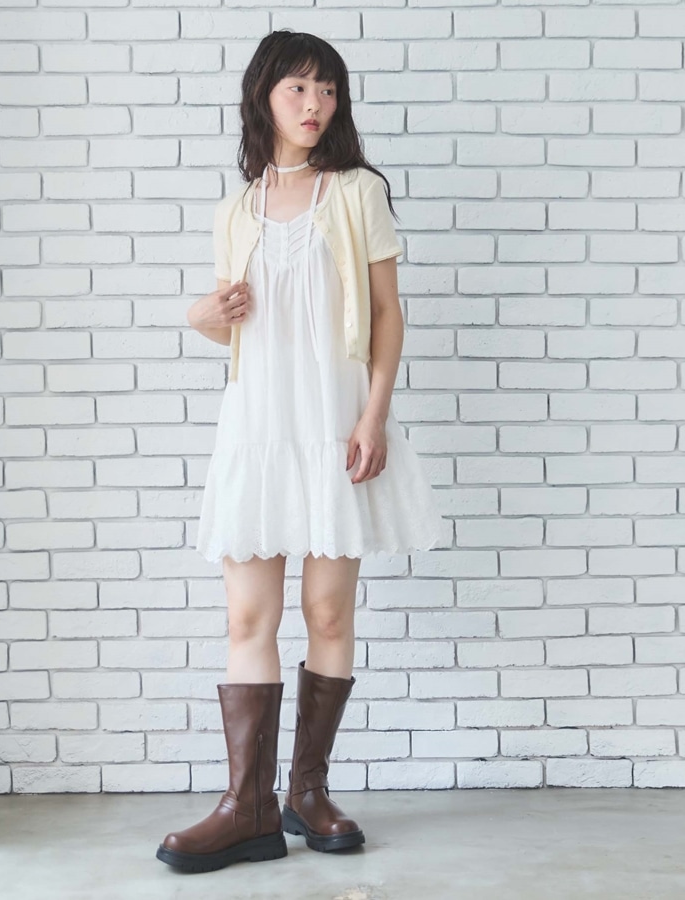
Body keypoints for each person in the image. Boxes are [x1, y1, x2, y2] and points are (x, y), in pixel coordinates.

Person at [156, 30, 448, 873]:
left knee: (327, 613)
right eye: (297, 88)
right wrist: (201, 317)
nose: (315, 104)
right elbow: (235, 326)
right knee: (248, 617)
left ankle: (306, 792)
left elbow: (387, 313)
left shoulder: (356, 192)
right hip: (256, 427)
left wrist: (373, 417)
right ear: (264, 97)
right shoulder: (236, 210)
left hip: (333, 422)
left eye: (327, 89)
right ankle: (245, 809)